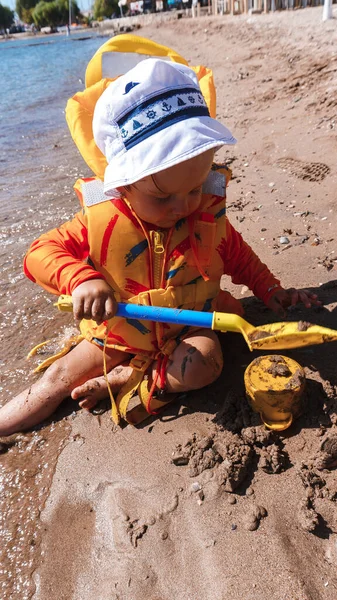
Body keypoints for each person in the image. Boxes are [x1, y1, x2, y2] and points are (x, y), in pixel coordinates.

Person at [0, 58, 320, 436]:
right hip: (120, 330)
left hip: (188, 329)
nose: (183, 206)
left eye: (195, 188)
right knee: (56, 379)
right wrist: (80, 278)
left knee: (207, 362)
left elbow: (237, 254)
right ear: (123, 184)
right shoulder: (99, 219)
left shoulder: (205, 216)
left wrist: (270, 290)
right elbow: (38, 254)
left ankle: (131, 380)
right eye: (163, 196)